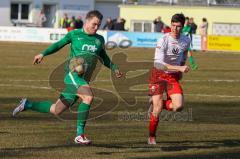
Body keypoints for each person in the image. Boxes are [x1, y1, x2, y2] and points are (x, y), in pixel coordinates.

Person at [12, 10, 123, 145]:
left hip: (82, 79)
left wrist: (114, 67)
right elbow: (58, 45)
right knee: (88, 97)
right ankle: (79, 135)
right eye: (94, 24)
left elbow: (103, 57)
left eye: (98, 25)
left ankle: (27, 104)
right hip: (72, 75)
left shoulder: (99, 39)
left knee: (56, 110)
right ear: (87, 21)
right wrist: (43, 53)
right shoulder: (75, 34)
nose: (96, 27)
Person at [147, 13, 191, 145]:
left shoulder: (186, 39)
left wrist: (181, 66)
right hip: (158, 75)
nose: (175, 29)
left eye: (178, 26)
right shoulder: (163, 40)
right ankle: (151, 137)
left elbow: (183, 54)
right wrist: (179, 68)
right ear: (170, 24)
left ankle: (155, 103)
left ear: (183, 27)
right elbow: (158, 64)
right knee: (158, 109)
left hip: (172, 76)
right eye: (173, 25)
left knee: (178, 106)